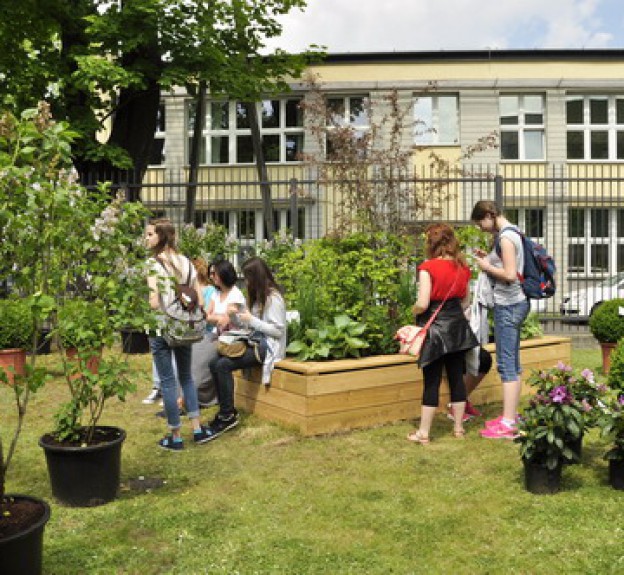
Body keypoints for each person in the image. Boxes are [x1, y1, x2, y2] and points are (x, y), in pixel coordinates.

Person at [407, 223, 478, 444]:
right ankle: (458, 428)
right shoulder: (463, 268)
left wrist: (414, 311)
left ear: (431, 243)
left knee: (432, 380)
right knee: (457, 377)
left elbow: (423, 302)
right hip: (456, 326)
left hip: (435, 327)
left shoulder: (428, 267)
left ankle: (424, 433)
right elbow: (466, 301)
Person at [145, 219, 212, 450]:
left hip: (161, 326)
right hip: (185, 325)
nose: (147, 238)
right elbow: (199, 298)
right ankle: (197, 429)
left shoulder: (153, 264)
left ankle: (175, 436)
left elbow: (154, 303)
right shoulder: (187, 262)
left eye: (150, 234)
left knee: (167, 381)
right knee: (186, 376)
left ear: (161, 237)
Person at [204, 256, 287, 441]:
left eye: (248, 277)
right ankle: (225, 410)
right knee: (213, 363)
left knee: (223, 365)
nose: (246, 282)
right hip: (255, 341)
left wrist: (252, 320)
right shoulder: (258, 297)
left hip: (268, 347)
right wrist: (235, 318)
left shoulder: (274, 299)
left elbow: (277, 332)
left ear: (256, 277)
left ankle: (228, 415)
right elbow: (247, 326)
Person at [471, 200, 530, 439]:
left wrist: (486, 266)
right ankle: (511, 416)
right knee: (512, 363)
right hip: (515, 304)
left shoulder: (506, 237)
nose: (481, 228)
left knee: (507, 364)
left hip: (509, 305)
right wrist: (490, 259)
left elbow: (509, 275)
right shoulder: (513, 231)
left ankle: (507, 424)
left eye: (480, 223)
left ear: (489, 215)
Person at [191, 258, 219, 407]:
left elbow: (206, 317)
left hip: (206, 334)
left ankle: (189, 399)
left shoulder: (210, 292)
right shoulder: (188, 290)